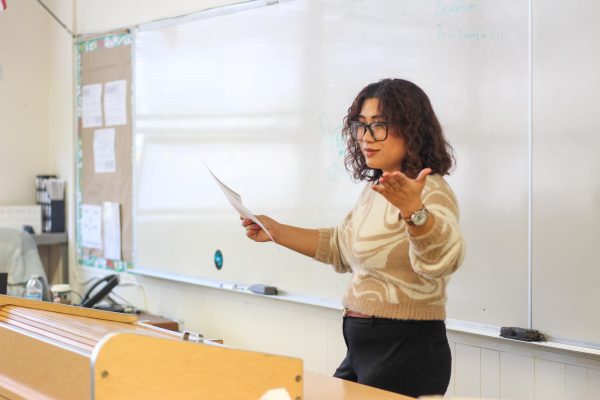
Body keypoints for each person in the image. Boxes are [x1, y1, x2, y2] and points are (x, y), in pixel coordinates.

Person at [241, 78, 465, 397]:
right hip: (362, 348)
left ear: (411, 129)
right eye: (360, 125)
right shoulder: (376, 191)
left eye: (378, 125)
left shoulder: (431, 191)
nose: (365, 137)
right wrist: (275, 231)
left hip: (406, 348)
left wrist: (414, 212)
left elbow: (442, 260)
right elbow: (340, 247)